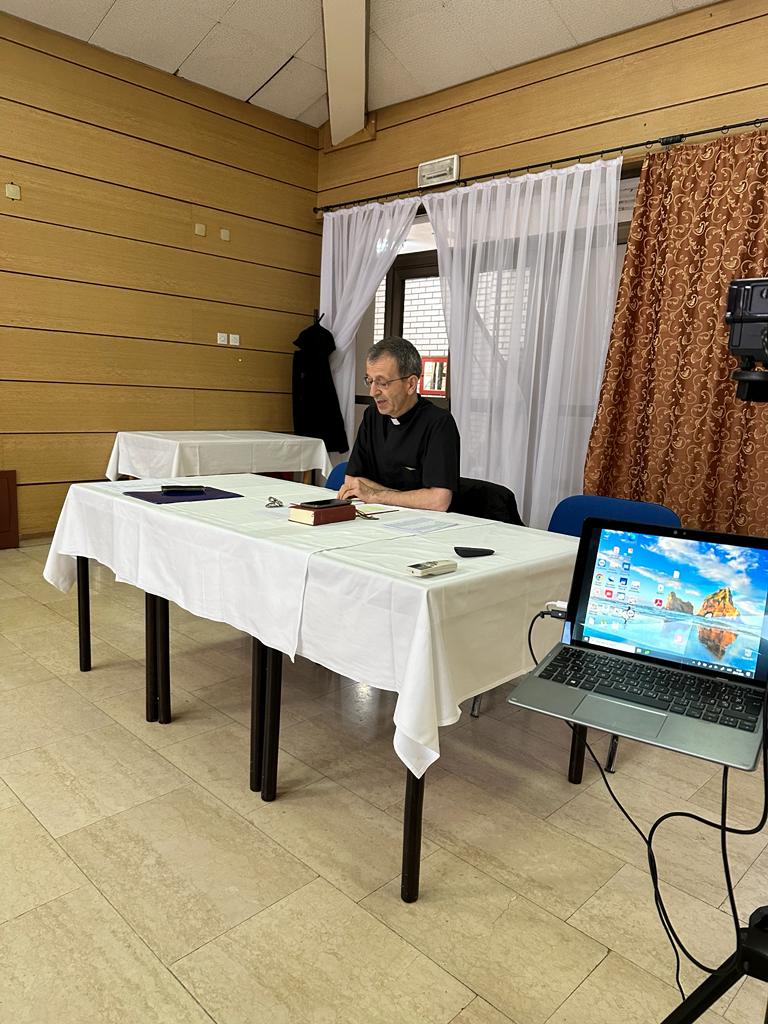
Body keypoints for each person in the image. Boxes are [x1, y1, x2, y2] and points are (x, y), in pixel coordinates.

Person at [338, 336, 460, 511]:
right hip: (378, 514)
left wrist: (375, 495)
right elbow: (352, 481)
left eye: (382, 382)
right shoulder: (372, 415)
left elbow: (438, 500)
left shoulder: (439, 423)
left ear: (411, 384)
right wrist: (408, 497)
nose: (373, 392)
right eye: (370, 381)